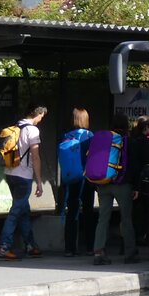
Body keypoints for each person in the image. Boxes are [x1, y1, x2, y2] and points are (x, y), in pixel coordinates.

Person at [0, 104, 45, 261]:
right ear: (37, 114)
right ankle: (4, 247)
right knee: (16, 212)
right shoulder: (32, 130)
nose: (40, 120)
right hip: (23, 176)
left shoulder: (16, 126)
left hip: (10, 173)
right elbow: (36, 157)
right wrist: (39, 182)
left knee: (23, 210)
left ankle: (31, 245)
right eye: (41, 117)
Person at [92, 112, 138, 265]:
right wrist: (135, 186)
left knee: (103, 218)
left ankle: (98, 252)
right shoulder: (128, 141)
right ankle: (130, 253)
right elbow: (133, 165)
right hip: (122, 184)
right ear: (126, 125)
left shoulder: (103, 139)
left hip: (103, 184)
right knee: (126, 219)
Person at [59, 108, 93, 256]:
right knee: (88, 211)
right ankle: (90, 247)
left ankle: (69, 248)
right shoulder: (89, 136)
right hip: (86, 178)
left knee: (72, 211)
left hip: (72, 178)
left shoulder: (66, 136)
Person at [129, 116, 149, 246]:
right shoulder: (148, 143)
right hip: (145, 182)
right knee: (148, 212)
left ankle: (136, 237)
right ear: (145, 128)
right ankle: (147, 239)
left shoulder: (132, 141)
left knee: (135, 213)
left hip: (134, 181)